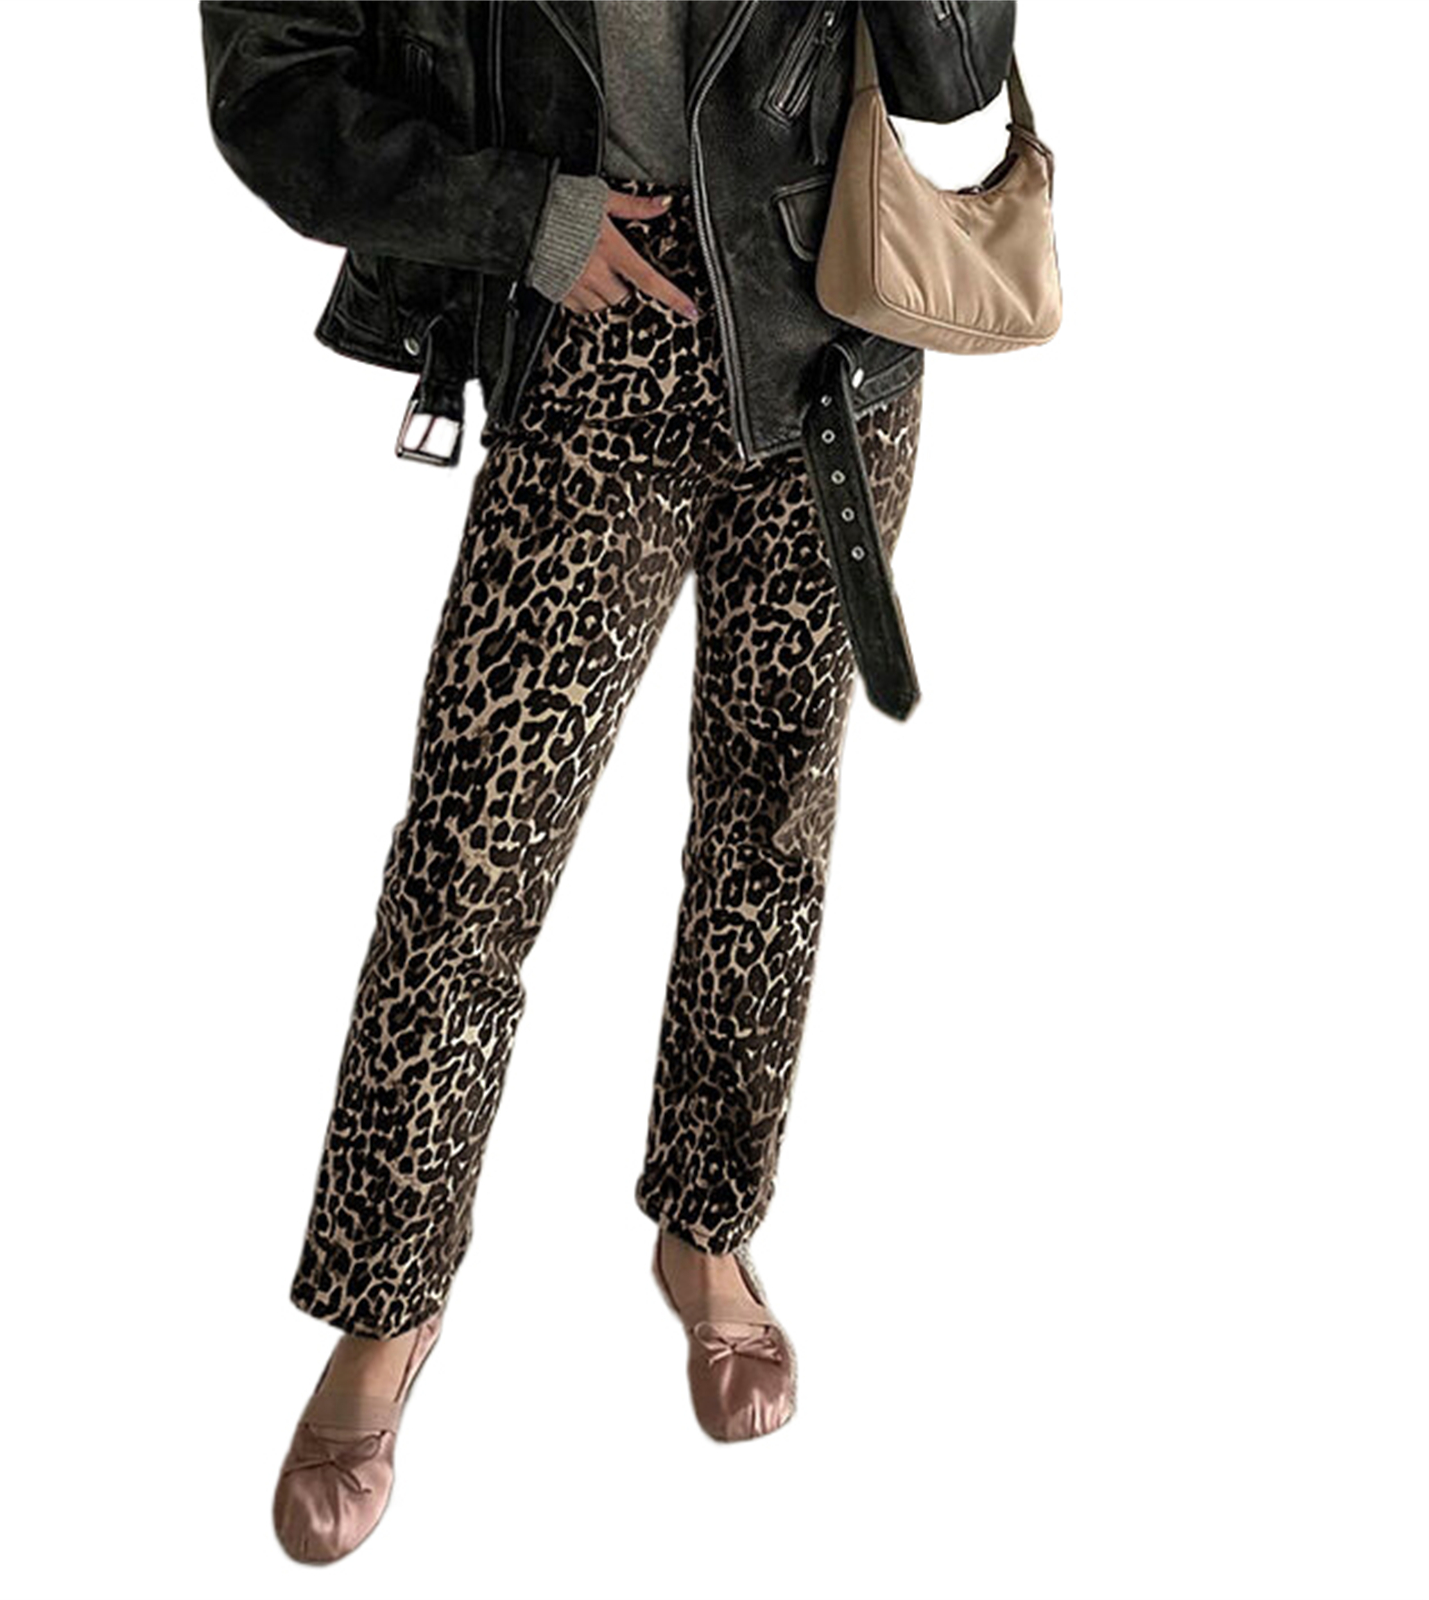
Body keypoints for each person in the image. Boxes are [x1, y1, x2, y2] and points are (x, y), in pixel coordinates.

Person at [199, 0, 1017, 1564]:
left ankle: (709, 1231)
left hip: (829, 336)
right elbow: (271, 89)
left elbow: (955, 83)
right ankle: (386, 1305)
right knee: (469, 863)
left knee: (771, 825)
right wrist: (522, 217)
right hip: (583, 342)